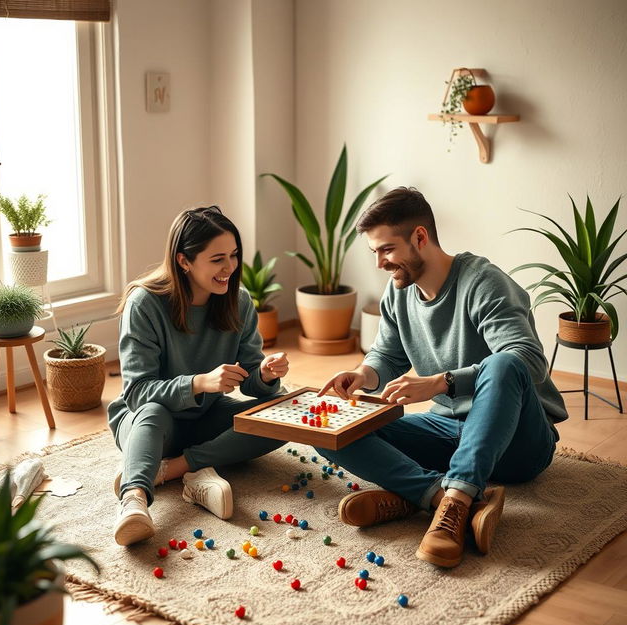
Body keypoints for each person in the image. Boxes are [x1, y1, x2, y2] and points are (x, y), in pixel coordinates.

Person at [317, 187, 567, 568]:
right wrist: (361, 374)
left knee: (503, 364)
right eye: (376, 253)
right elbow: (388, 353)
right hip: (449, 431)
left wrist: (440, 382)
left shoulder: (484, 282)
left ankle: (445, 503)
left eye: (387, 250)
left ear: (420, 236)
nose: (381, 263)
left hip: (519, 442)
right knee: (331, 432)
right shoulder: (398, 292)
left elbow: (527, 361)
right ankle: (439, 497)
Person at [108, 205, 289, 546]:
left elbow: (250, 379)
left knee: (283, 413)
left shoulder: (239, 300)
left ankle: (175, 469)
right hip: (150, 425)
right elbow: (136, 393)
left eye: (234, 256)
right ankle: (133, 501)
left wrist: (263, 374)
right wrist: (200, 382)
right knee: (152, 411)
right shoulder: (144, 303)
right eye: (218, 258)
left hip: (203, 417)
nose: (230, 268)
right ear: (184, 261)